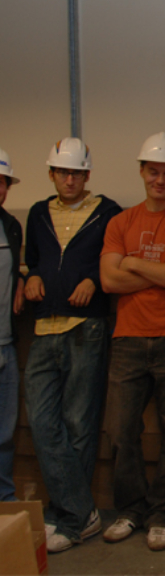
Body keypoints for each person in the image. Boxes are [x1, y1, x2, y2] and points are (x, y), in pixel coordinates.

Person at [100, 132, 165, 552]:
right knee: (120, 430)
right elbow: (109, 281)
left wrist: (134, 263)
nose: (160, 179)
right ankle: (130, 509)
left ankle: (163, 513)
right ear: (142, 172)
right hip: (128, 339)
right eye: (153, 171)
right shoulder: (120, 222)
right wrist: (162, 271)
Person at [23, 138, 121, 553]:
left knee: (79, 422)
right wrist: (30, 276)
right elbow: (34, 260)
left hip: (86, 327)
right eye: (63, 172)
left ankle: (66, 516)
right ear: (51, 174)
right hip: (44, 327)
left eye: (77, 173)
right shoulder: (37, 213)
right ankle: (80, 513)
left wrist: (94, 281)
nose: (69, 179)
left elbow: (114, 260)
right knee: (42, 421)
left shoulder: (108, 213)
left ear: (87, 175)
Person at [0, 149, 24, 503]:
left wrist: (22, 278)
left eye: (3, 183)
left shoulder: (11, 226)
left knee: (4, 432)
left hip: (5, 345)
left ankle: (3, 501)